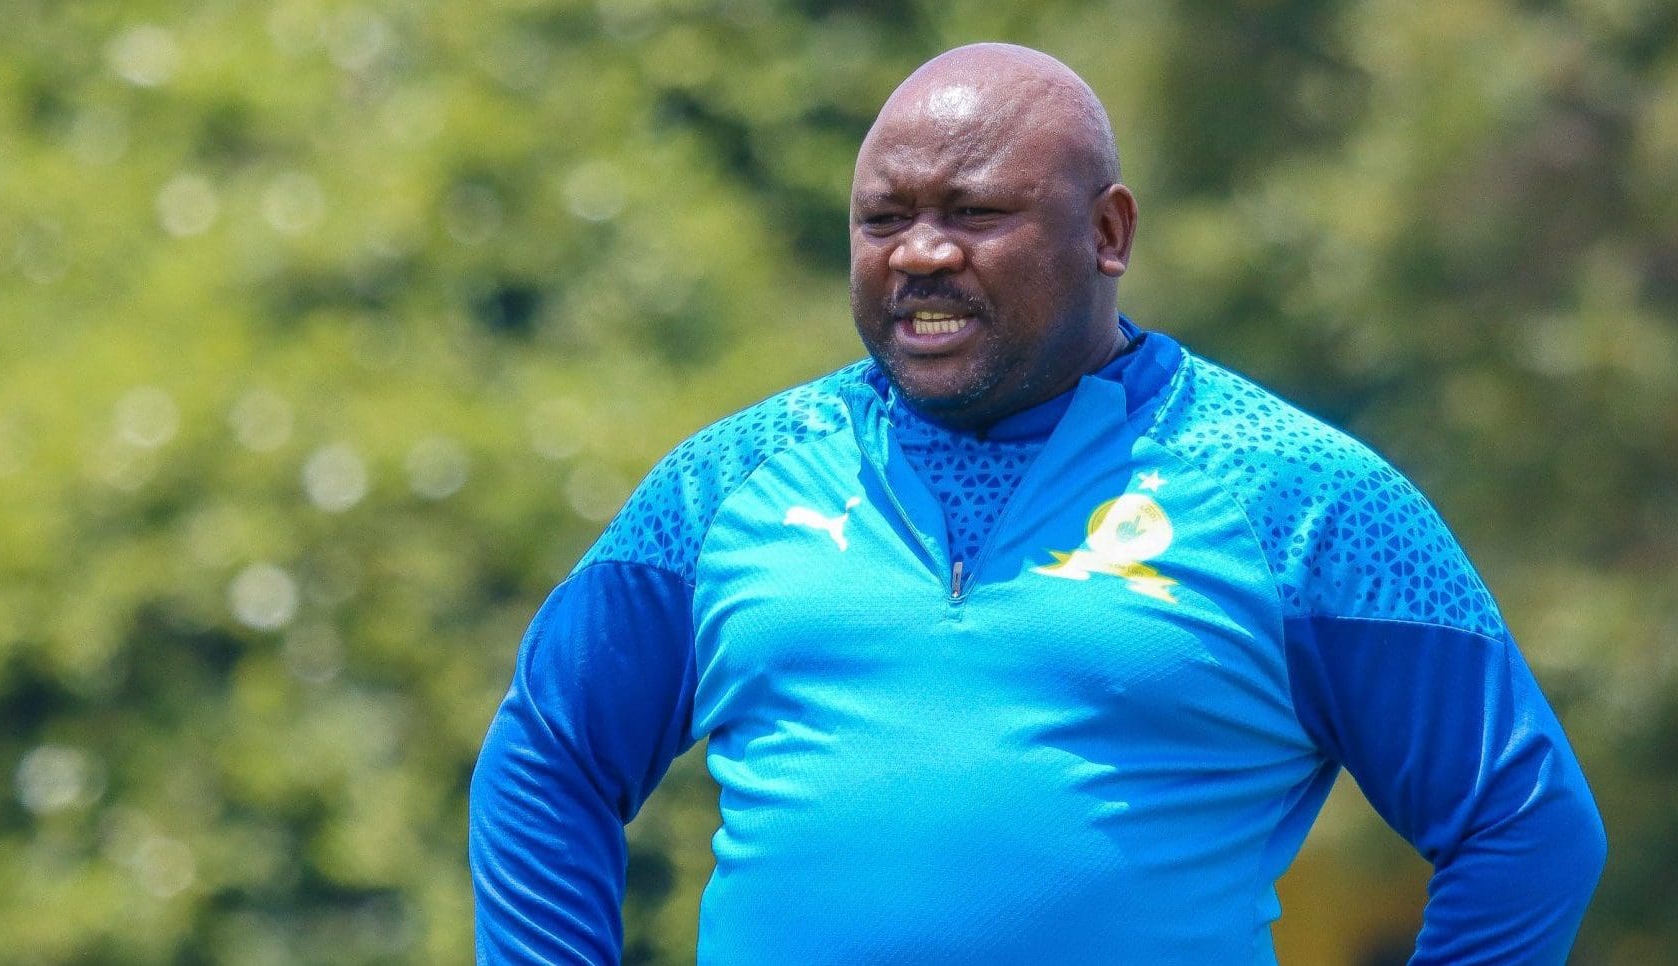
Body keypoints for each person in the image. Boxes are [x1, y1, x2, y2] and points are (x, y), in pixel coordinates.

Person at [470, 42, 1606, 964]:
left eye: (973, 214)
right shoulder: (725, 482)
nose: (920, 253)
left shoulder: (1304, 498)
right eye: (883, 219)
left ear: (1108, 234)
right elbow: (547, 760)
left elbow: (1525, 827)